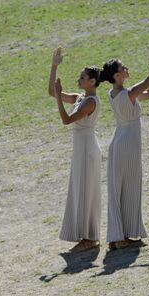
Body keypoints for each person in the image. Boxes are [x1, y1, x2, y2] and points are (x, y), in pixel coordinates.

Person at [100, 23, 149, 250]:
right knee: (126, 187)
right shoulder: (127, 93)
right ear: (118, 75)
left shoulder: (118, 93)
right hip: (126, 144)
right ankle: (119, 237)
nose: (128, 68)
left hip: (123, 142)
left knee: (125, 188)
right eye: (124, 67)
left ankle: (123, 235)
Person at [49, 47, 102, 252]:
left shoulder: (90, 102)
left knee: (87, 189)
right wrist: (54, 66)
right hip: (80, 148)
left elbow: (66, 120)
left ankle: (89, 238)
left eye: (82, 77)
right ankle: (85, 237)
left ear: (92, 82)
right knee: (80, 188)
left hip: (88, 149)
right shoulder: (80, 97)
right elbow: (53, 92)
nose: (79, 79)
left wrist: (58, 101)